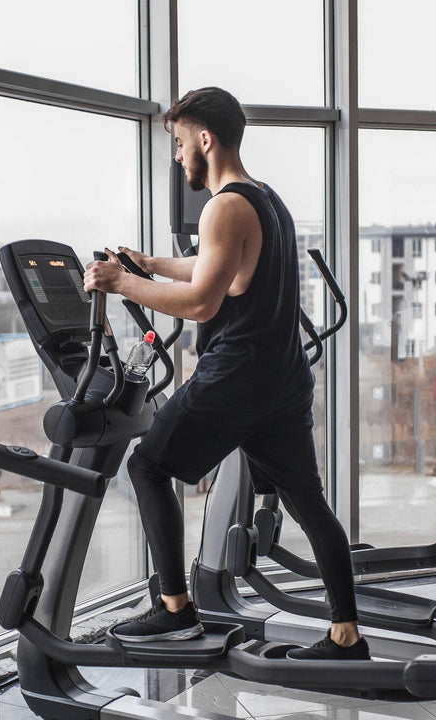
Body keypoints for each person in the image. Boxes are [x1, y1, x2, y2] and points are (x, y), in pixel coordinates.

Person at [82, 87, 369, 660]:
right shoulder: (265, 199)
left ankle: (174, 610)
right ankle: (346, 635)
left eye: (179, 143)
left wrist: (120, 283)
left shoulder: (222, 207)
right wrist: (149, 264)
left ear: (205, 140)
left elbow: (201, 302)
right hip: (282, 379)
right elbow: (218, 266)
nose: (177, 156)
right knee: (307, 501)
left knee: (146, 466)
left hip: (236, 376)